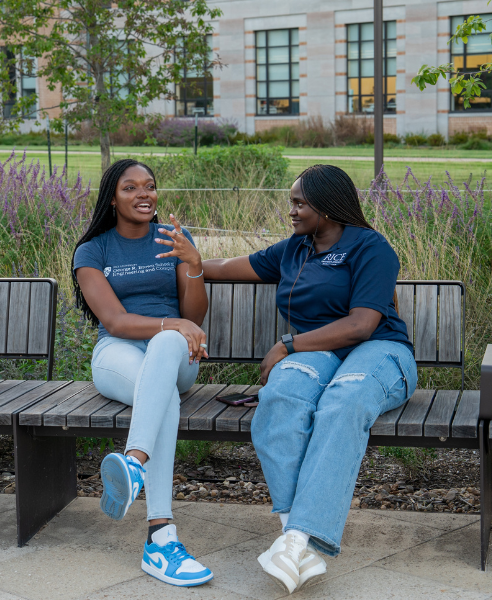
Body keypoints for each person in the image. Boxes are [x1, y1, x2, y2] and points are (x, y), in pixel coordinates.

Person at [203, 164, 417, 594]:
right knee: (280, 393)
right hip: (320, 354)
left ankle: (297, 538)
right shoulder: (294, 250)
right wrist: (188, 262)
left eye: (300, 203)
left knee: (344, 399)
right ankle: (295, 539)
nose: (293, 211)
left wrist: (288, 345)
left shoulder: (371, 248)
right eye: (292, 203)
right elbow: (229, 266)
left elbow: (361, 325)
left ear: (328, 206)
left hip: (378, 350)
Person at [71, 158, 214, 587]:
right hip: (118, 355)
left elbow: (193, 316)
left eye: (149, 186)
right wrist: (173, 324)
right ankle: (160, 538)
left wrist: (194, 264)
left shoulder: (174, 239)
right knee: (163, 396)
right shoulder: (93, 250)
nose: (143, 195)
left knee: (168, 345)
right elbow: (114, 321)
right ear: (112, 198)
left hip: (176, 359)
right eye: (130, 188)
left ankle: (133, 463)